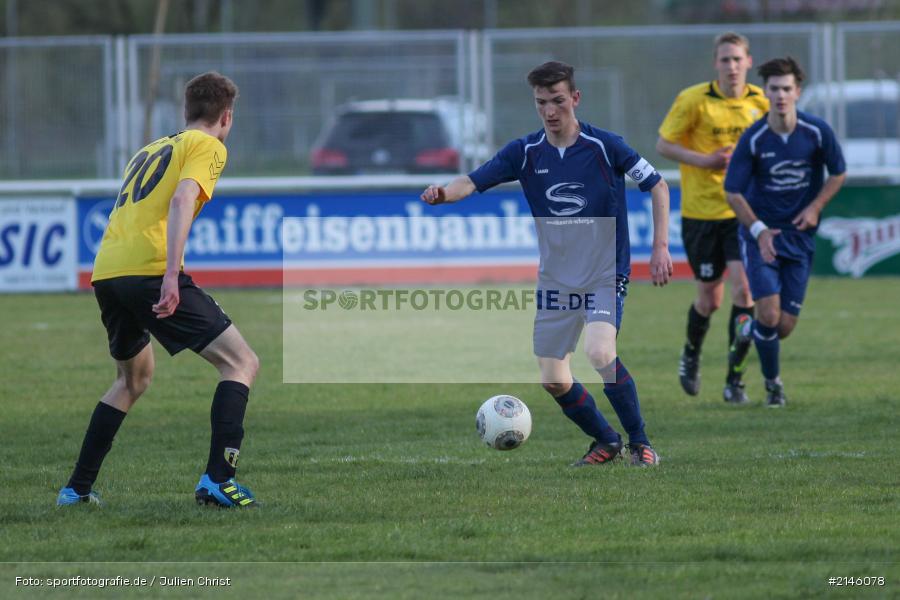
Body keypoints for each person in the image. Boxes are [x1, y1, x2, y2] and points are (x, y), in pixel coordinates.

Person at [421, 61, 673, 467]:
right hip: (557, 278)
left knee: (600, 353)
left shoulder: (605, 146)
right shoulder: (524, 152)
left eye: (558, 100)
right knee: (553, 378)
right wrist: (442, 193)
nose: (550, 111)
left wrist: (660, 247)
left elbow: (657, 185)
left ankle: (641, 444)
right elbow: (470, 181)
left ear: (575, 98)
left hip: (604, 272)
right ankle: (606, 441)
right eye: (541, 103)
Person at [57, 72, 260, 508]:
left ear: (186, 111)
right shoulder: (209, 145)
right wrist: (171, 274)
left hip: (108, 271)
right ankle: (218, 481)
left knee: (132, 379)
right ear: (226, 116)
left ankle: (76, 490)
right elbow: (182, 198)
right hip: (149, 270)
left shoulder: (149, 149)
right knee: (241, 362)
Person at [724, 57, 846, 407]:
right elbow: (732, 192)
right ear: (765, 92)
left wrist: (816, 206)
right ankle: (773, 386)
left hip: (799, 238)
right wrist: (760, 231)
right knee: (768, 314)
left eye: (786, 89)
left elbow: (838, 172)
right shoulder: (754, 138)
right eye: (774, 88)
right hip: (762, 239)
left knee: (783, 327)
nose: (780, 95)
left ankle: (746, 332)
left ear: (798, 92)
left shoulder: (817, 132)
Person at [657, 32, 769, 404]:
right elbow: (664, 144)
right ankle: (691, 353)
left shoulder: (762, 102)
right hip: (701, 214)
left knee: (745, 291)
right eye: (725, 60)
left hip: (742, 213)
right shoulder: (694, 100)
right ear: (715, 63)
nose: (732, 66)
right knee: (709, 300)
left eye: (737, 59)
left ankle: (735, 379)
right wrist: (706, 161)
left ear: (748, 62)